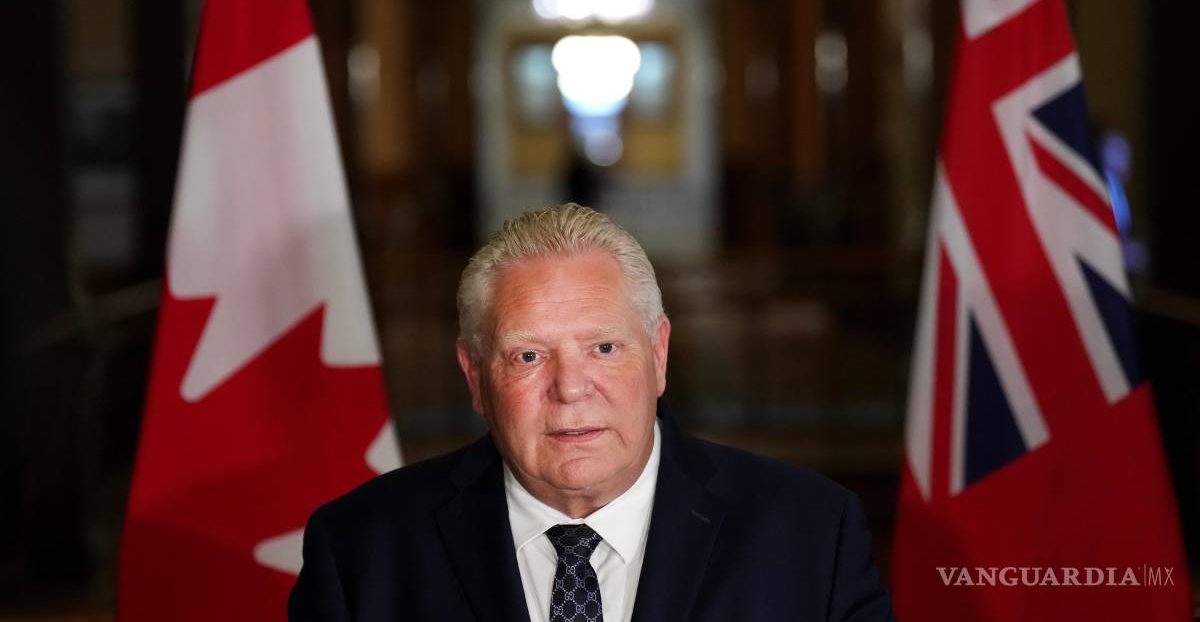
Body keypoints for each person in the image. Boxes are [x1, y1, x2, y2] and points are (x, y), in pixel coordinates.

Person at [289, 204, 894, 621]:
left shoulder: (812, 534)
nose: (570, 388)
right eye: (528, 355)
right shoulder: (362, 550)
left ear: (658, 355)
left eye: (603, 348)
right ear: (475, 378)